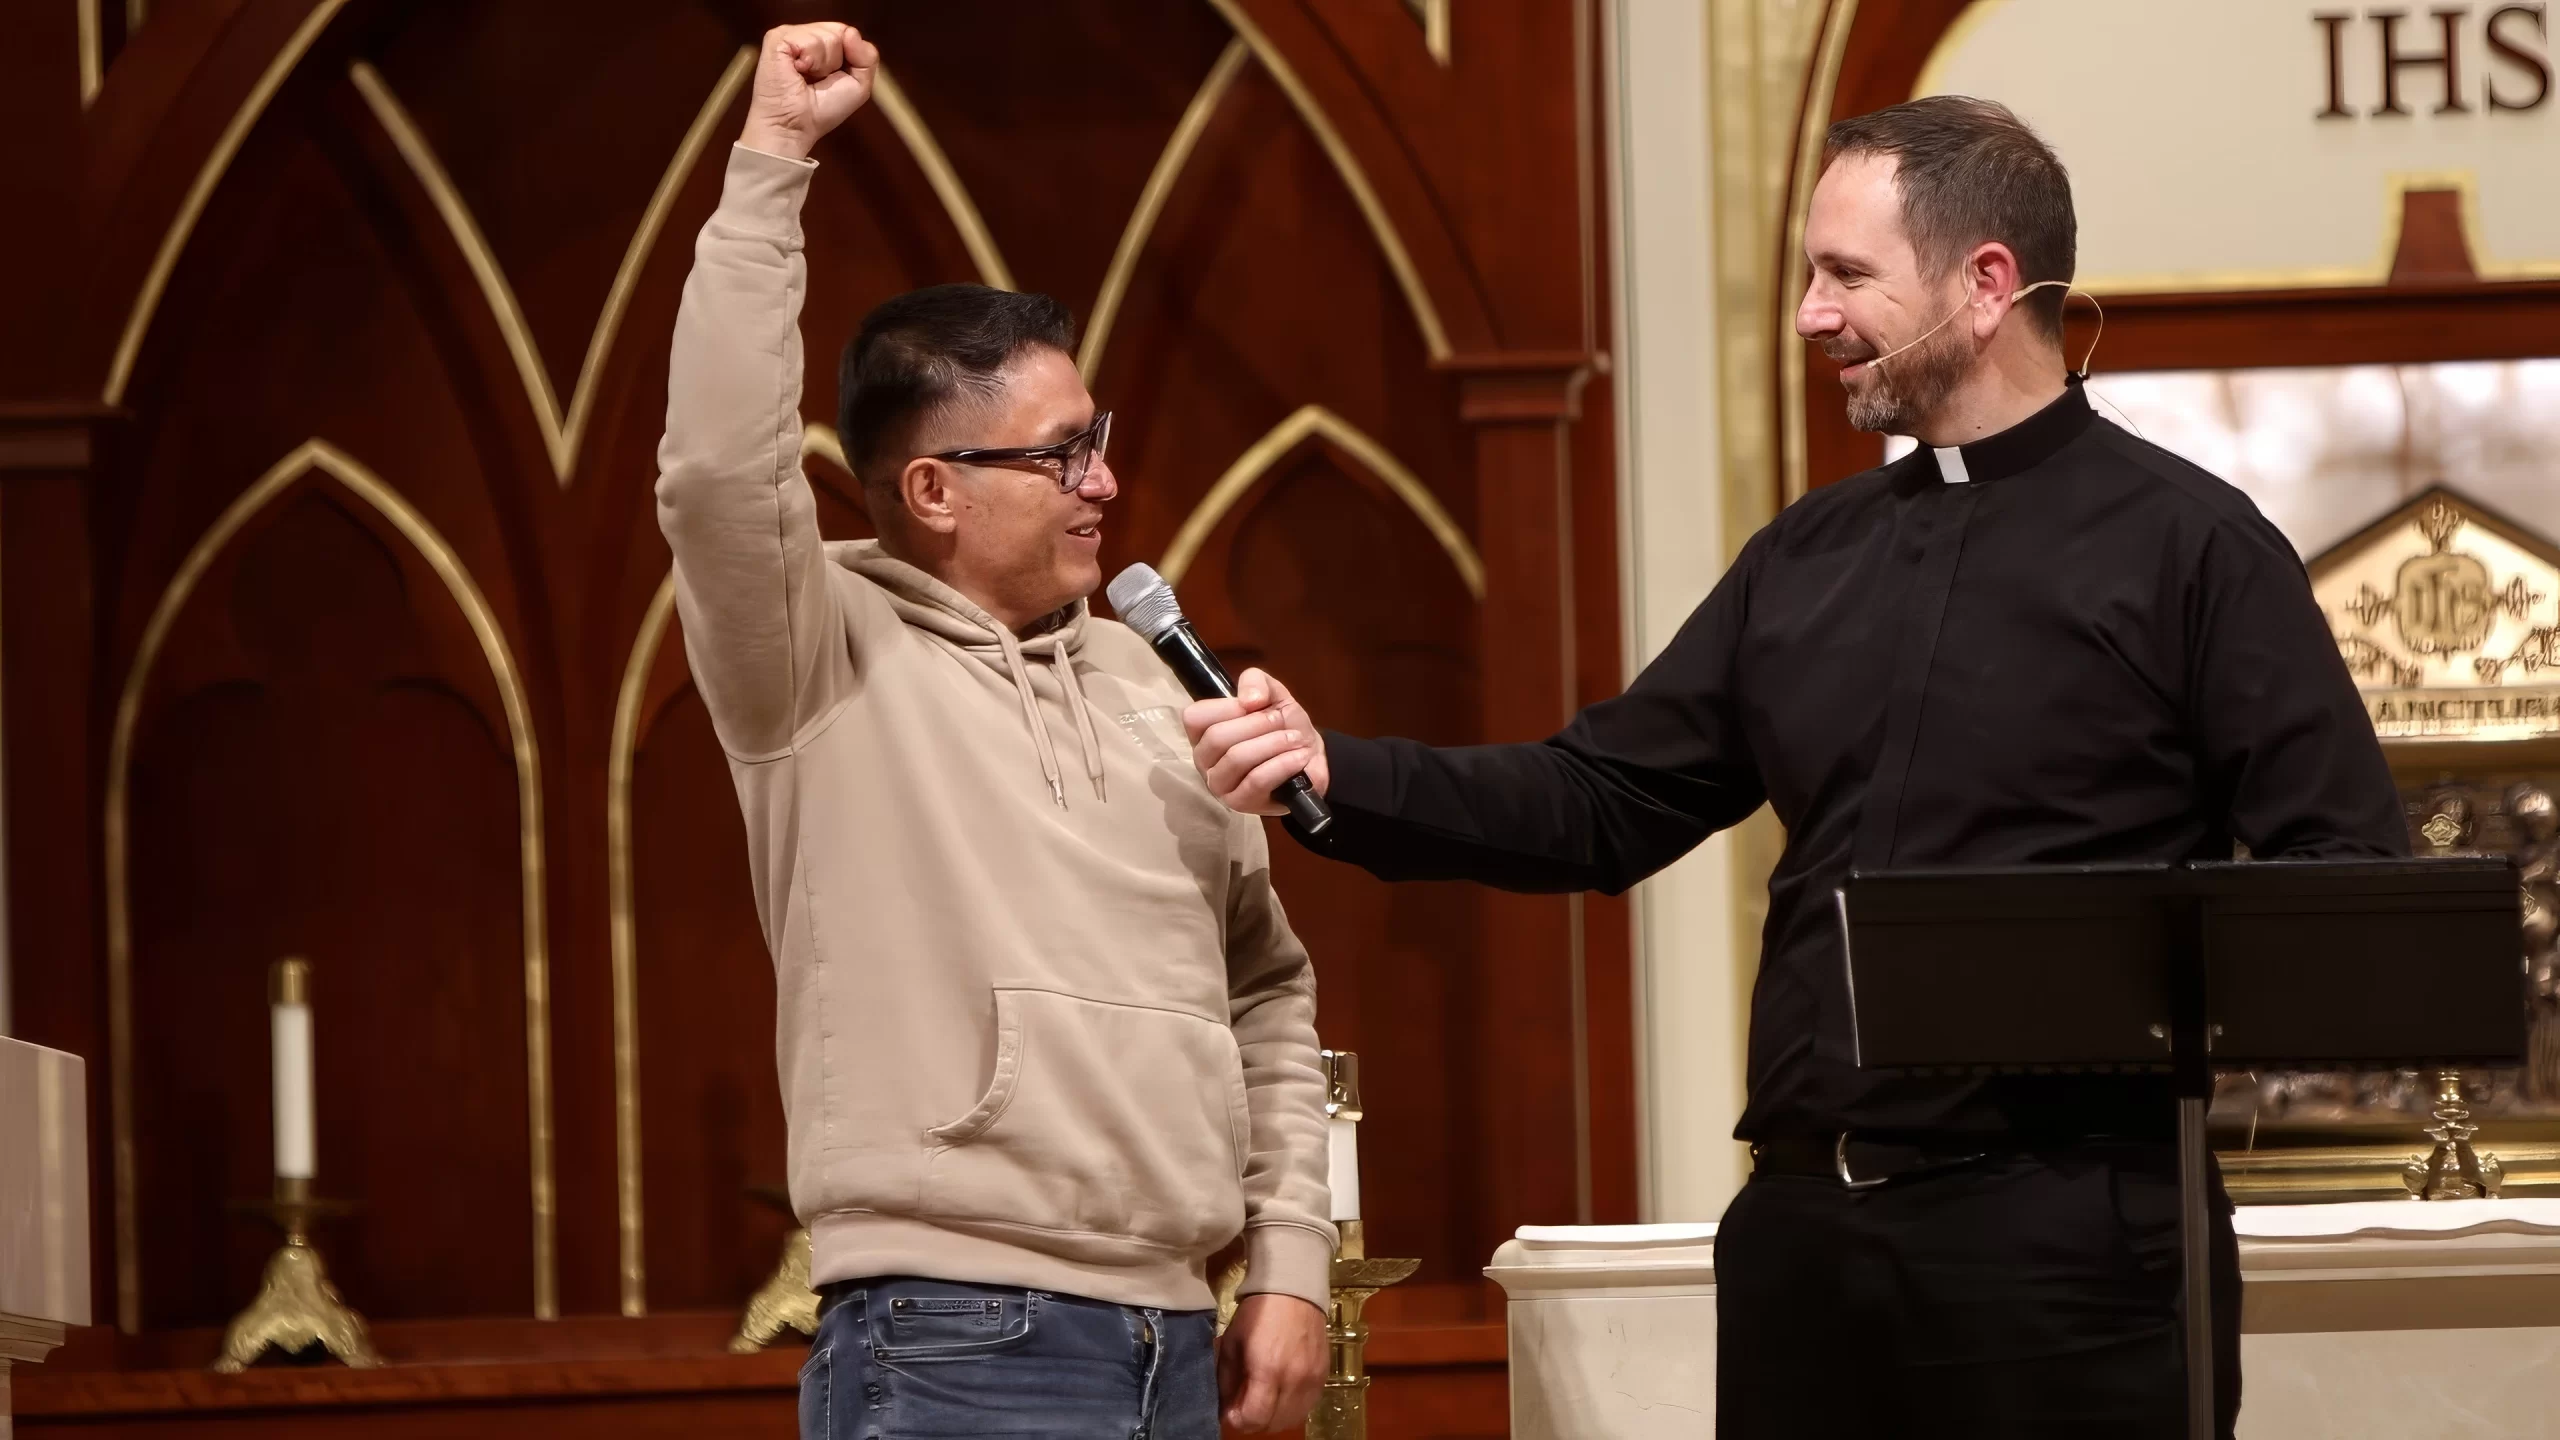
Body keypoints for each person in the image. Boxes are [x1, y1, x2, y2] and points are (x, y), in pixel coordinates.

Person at [1184, 96, 2406, 1437]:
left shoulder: (2196, 547)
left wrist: (2108, 978)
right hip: (1804, 1245)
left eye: (1846, 275)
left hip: (2073, 1249)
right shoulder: (1806, 556)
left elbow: (2342, 875)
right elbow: (1603, 801)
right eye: (1809, 276)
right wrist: (1333, 770)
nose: (1812, 315)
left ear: (1986, 281)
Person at [656, 24, 1333, 1439]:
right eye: (1061, 454)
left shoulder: (1162, 682)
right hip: (952, 1332)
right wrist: (772, 155)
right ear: (933, 490)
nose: (1108, 479)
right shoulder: (817, 652)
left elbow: (1264, 992)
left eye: (1099, 436)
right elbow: (720, 470)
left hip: (1178, 1331)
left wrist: (1290, 1263)